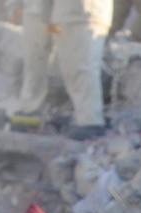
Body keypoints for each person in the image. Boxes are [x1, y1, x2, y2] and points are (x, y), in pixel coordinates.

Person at [15, 0, 112, 139]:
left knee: (81, 68)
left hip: (81, 12)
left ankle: (90, 122)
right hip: (63, 12)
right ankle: (31, 112)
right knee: (47, 65)